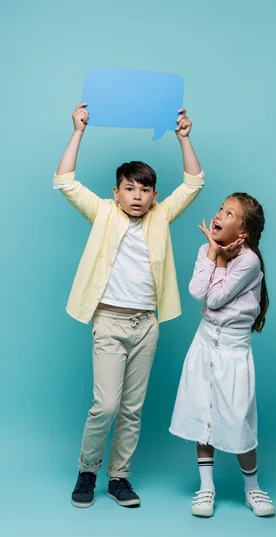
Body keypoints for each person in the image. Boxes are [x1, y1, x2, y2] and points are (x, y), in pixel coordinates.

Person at [53, 103, 203, 508]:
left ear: (154, 195)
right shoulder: (102, 213)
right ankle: (87, 471)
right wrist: (78, 131)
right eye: (130, 189)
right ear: (116, 192)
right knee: (106, 405)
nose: (137, 196)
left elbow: (193, 183)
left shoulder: (161, 216)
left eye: (145, 189)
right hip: (108, 321)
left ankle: (119, 477)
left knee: (132, 409)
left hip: (146, 325)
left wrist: (183, 137)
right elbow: (65, 181)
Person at [169, 193, 275, 517]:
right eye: (220, 209)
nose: (218, 215)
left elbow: (214, 299)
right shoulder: (207, 250)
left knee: (238, 417)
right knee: (205, 414)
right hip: (204, 344)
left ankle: (252, 488)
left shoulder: (249, 261)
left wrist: (221, 259)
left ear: (243, 232)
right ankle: (206, 488)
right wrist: (213, 253)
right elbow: (196, 291)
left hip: (232, 350)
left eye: (229, 213)